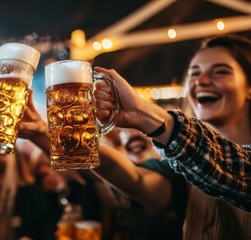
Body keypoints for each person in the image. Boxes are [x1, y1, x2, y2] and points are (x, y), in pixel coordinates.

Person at [92, 34, 251, 238]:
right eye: (194, 74)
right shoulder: (185, 165)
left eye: (220, 72)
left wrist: (144, 114)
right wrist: (52, 135)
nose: (201, 81)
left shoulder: (199, 160)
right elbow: (134, 178)